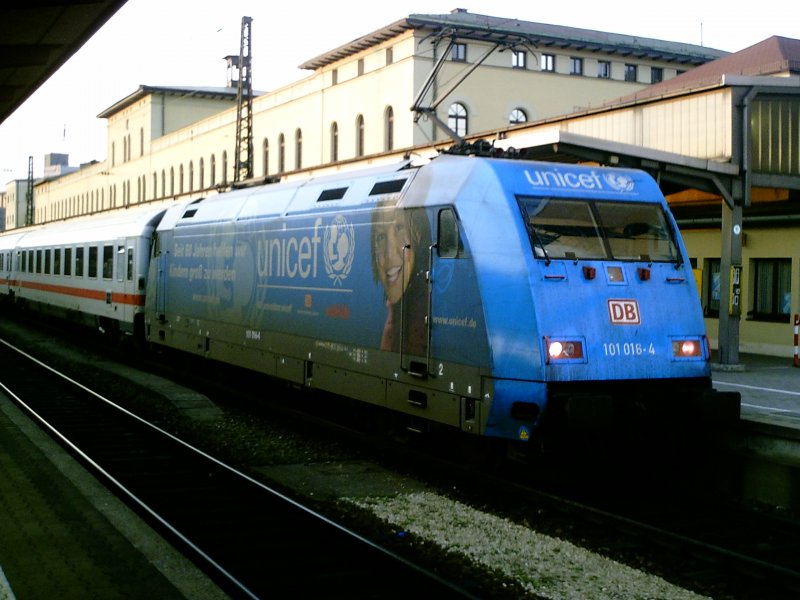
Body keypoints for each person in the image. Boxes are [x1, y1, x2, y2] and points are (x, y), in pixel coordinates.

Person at [371, 203, 431, 356]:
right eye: (381, 237)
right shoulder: (395, 316)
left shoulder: (420, 313)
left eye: (399, 228)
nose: (390, 254)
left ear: (418, 234)